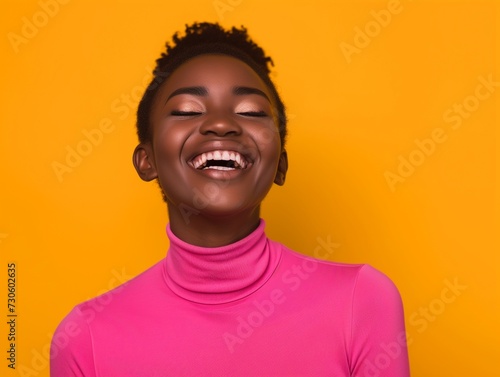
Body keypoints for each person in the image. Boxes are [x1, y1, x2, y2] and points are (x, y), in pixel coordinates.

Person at [50, 22, 410, 376]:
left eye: (250, 112)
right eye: (188, 110)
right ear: (148, 161)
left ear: (280, 165)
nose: (221, 124)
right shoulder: (86, 338)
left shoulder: (361, 301)